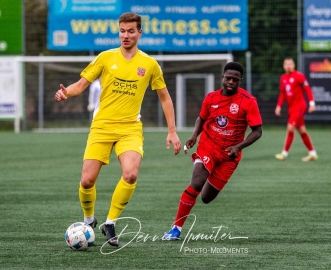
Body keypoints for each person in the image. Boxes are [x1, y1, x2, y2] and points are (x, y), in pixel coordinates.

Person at [55, 12, 181, 247]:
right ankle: (89, 220)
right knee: (86, 181)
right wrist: (66, 92)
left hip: (130, 128)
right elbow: (81, 84)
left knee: (131, 174)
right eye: (122, 31)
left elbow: (165, 98)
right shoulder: (105, 58)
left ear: (139, 33)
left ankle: (110, 222)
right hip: (102, 126)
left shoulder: (149, 64)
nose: (126, 35)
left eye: (131, 31)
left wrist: (172, 130)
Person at [163, 62, 262, 240]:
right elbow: (201, 119)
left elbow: (258, 131)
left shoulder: (248, 102)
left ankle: (209, 171)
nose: (231, 82)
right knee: (197, 183)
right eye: (228, 78)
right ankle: (176, 229)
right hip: (208, 145)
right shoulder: (211, 98)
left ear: (241, 81)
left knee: (206, 197)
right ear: (222, 78)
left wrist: (238, 147)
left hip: (230, 155)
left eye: (235, 79)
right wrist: (194, 136)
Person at [275, 57, 318, 162]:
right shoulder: (283, 78)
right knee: (302, 131)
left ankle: (284, 153)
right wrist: (279, 105)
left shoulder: (299, 76)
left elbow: (307, 89)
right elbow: (283, 94)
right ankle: (312, 153)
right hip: (291, 108)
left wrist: (312, 104)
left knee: (290, 128)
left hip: (299, 107)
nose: (288, 66)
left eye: (290, 63)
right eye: (286, 64)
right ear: (283, 66)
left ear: (294, 65)